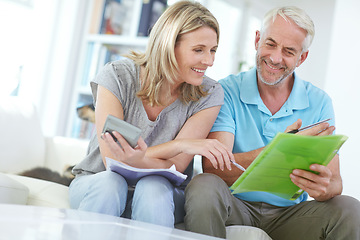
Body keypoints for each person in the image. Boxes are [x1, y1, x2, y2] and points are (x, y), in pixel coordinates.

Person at [184, 6, 360, 239]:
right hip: (236, 205)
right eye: (270, 44)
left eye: (288, 51)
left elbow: (335, 182)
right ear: (257, 40)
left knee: (350, 210)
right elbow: (214, 167)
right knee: (203, 185)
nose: (275, 58)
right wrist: (279, 148)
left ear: (302, 58)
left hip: (290, 214)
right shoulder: (225, 91)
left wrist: (325, 187)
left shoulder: (319, 102)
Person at [69, 0, 233, 228]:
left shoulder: (209, 93)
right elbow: (113, 159)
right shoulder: (117, 76)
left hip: (163, 191)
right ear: (168, 44)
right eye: (199, 50)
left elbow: (175, 166)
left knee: (153, 185)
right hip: (98, 182)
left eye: (213, 50)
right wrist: (180, 145)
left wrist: (139, 159)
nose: (209, 61)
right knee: (111, 183)